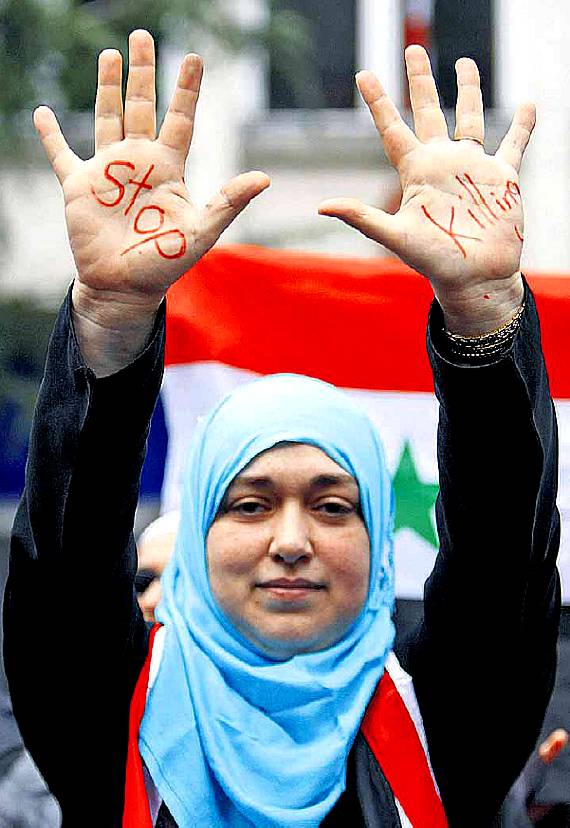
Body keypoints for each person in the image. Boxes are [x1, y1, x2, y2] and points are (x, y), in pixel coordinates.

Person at [3, 29, 560, 828]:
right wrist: (111, 318)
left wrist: (483, 314)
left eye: (335, 506)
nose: (291, 540)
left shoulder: (445, 727)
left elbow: (506, 562)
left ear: (379, 547)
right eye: (250, 504)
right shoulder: (109, 716)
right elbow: (64, 569)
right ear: (194, 533)